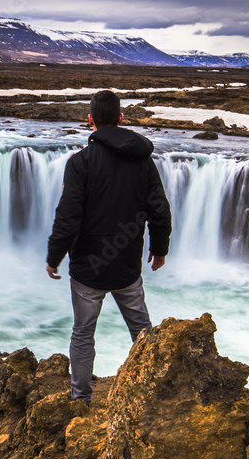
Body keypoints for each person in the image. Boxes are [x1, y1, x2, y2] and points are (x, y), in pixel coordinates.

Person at [46, 90, 172, 404]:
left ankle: (81, 398)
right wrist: (159, 248)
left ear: (90, 121)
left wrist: (55, 255)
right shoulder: (142, 161)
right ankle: (153, 391)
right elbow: (159, 208)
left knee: (83, 332)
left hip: (88, 269)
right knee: (142, 330)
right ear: (121, 118)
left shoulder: (80, 164)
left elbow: (69, 215)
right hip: (127, 266)